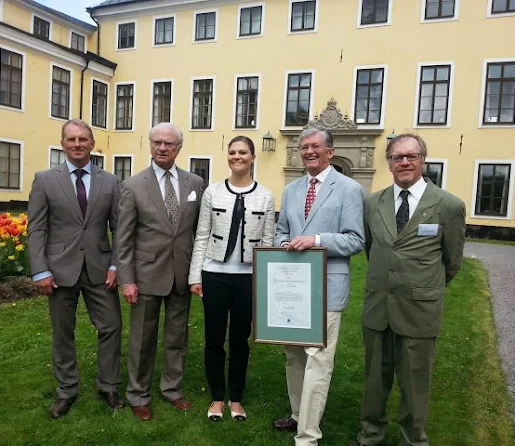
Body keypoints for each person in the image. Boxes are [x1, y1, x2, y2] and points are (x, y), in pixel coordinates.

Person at [351, 134, 466, 446]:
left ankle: (413, 440)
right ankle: (370, 435)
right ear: (388, 163)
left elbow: (451, 261)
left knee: (415, 382)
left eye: (411, 156)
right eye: (397, 157)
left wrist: (422, 286)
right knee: (375, 379)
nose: (404, 162)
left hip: (420, 309)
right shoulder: (373, 203)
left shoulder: (448, 206)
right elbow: (374, 250)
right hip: (378, 307)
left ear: (422, 160)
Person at [272, 127, 366, 445]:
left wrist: (315, 240)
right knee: (294, 355)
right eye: (304, 147)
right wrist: (283, 244)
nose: (309, 151)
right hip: (294, 288)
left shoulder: (349, 189)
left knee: (318, 360)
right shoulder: (292, 189)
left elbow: (356, 240)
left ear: (329, 151)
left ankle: (308, 436)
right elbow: (281, 230)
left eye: (315, 146)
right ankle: (299, 414)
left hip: (327, 288)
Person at [27, 119, 123, 419]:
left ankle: (107, 386)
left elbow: (119, 227)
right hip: (58, 271)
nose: (77, 144)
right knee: (62, 332)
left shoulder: (110, 181)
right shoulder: (45, 179)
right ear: (63, 143)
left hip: (99, 269)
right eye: (72, 139)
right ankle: (66, 390)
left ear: (92, 143)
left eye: (83, 139)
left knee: (111, 327)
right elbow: (36, 229)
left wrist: (116, 263)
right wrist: (40, 270)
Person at [116, 122, 204, 421]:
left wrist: (197, 274)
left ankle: (172, 389)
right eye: (157, 143)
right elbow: (123, 238)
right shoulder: (132, 185)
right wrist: (127, 279)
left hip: (181, 273)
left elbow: (197, 231)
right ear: (149, 145)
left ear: (179, 148)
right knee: (142, 338)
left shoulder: (194, 183)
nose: (162, 148)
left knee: (176, 337)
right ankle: (138, 394)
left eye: (169, 144)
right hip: (146, 274)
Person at [188, 136, 275, 422]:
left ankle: (236, 398)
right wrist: (195, 276)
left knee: (240, 340)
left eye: (243, 152)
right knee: (214, 339)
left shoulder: (265, 195)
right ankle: (216, 397)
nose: (237, 157)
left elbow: (268, 241)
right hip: (214, 275)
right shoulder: (212, 192)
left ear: (252, 157)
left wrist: (264, 281)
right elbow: (201, 234)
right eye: (232, 152)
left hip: (247, 278)